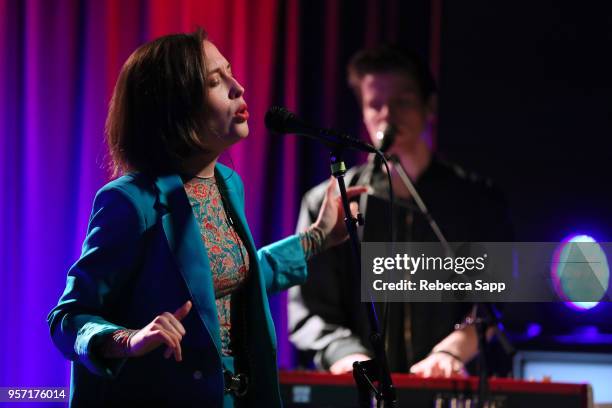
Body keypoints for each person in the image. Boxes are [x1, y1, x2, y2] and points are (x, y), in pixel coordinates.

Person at [47, 29, 366, 407]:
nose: (238, 88)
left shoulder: (228, 184)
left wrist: (318, 237)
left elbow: (228, 280)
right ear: (175, 106)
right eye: (216, 81)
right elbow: (68, 318)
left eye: (230, 73)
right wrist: (128, 340)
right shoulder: (129, 202)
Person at [289, 45, 513, 377]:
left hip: (450, 385)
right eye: (374, 104)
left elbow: (498, 296)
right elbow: (310, 309)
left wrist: (452, 351)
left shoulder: (477, 201)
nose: (387, 115)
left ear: (429, 105)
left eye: (402, 102)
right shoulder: (328, 201)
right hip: (361, 391)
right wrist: (346, 356)